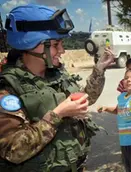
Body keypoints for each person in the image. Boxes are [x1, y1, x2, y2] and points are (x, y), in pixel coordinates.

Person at [0, 4, 114, 172]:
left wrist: (99, 70)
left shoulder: (55, 74)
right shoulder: (8, 88)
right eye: (55, 44)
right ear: (32, 44)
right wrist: (58, 115)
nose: (62, 50)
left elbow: (84, 99)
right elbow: (12, 151)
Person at [98, 68, 131, 172]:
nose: (128, 80)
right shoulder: (121, 97)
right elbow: (118, 110)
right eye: (126, 78)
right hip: (124, 140)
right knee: (127, 167)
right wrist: (106, 108)